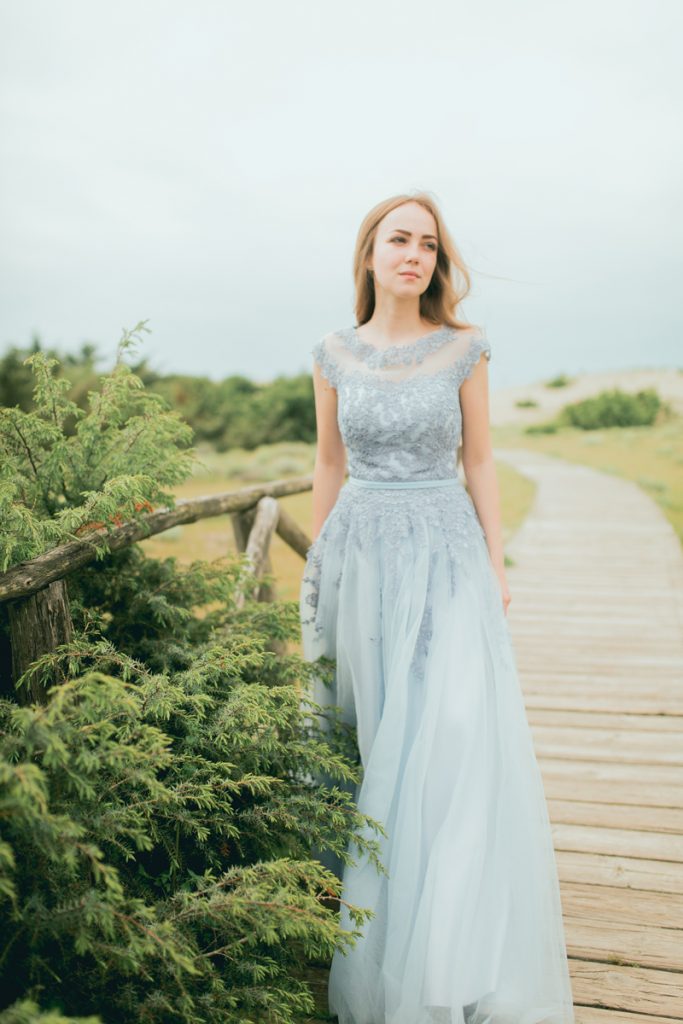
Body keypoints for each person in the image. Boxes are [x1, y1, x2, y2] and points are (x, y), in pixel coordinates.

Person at [299, 191, 575, 1024]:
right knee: (373, 737)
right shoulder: (331, 353)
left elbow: (483, 463)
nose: (413, 254)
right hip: (359, 559)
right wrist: (317, 570)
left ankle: (447, 956)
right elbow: (325, 464)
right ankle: (377, 942)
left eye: (427, 243)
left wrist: (494, 564)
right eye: (398, 240)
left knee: (446, 738)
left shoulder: (465, 347)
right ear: (369, 255)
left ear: (436, 262)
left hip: (445, 554)